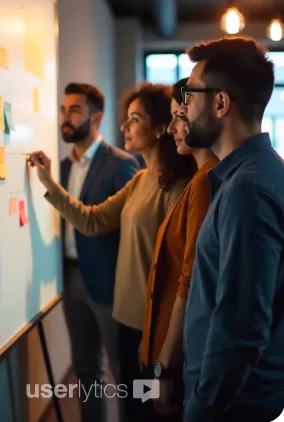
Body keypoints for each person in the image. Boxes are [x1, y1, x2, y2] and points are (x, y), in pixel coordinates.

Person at [28, 82, 196, 421]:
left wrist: (165, 353)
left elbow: (183, 274)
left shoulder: (178, 187)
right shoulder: (141, 179)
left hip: (154, 327)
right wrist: (48, 183)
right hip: (127, 318)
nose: (124, 127)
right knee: (132, 402)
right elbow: (92, 221)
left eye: (134, 119)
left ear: (161, 128)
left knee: (152, 408)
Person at [180, 36, 284, 422]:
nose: (184, 106)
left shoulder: (248, 189)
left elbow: (242, 324)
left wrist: (203, 406)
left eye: (189, 93)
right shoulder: (252, 175)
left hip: (237, 406)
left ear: (221, 103)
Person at [57, 82, 140, 422]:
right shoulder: (62, 167)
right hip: (71, 279)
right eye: (64, 110)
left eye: (75, 110)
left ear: (96, 117)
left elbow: (131, 230)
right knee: (86, 370)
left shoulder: (122, 164)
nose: (66, 117)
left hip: (108, 284)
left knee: (123, 374)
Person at [139, 79, 218, 422]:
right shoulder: (196, 178)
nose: (171, 128)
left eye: (179, 116)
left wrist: (164, 368)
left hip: (171, 352)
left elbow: (190, 278)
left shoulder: (203, 182)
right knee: (143, 408)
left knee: (157, 413)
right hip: (159, 342)